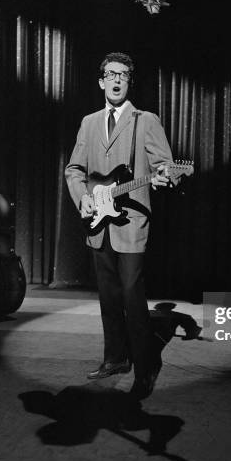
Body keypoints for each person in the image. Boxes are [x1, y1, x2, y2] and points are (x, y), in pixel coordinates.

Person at [65, 52, 175, 400]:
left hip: (131, 224)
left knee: (132, 295)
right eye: (110, 74)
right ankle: (115, 359)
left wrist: (165, 178)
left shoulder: (146, 121)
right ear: (101, 81)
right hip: (98, 223)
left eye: (123, 75)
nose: (116, 80)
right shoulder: (89, 122)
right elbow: (74, 170)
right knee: (109, 297)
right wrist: (82, 196)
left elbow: (166, 167)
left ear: (129, 82)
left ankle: (144, 369)